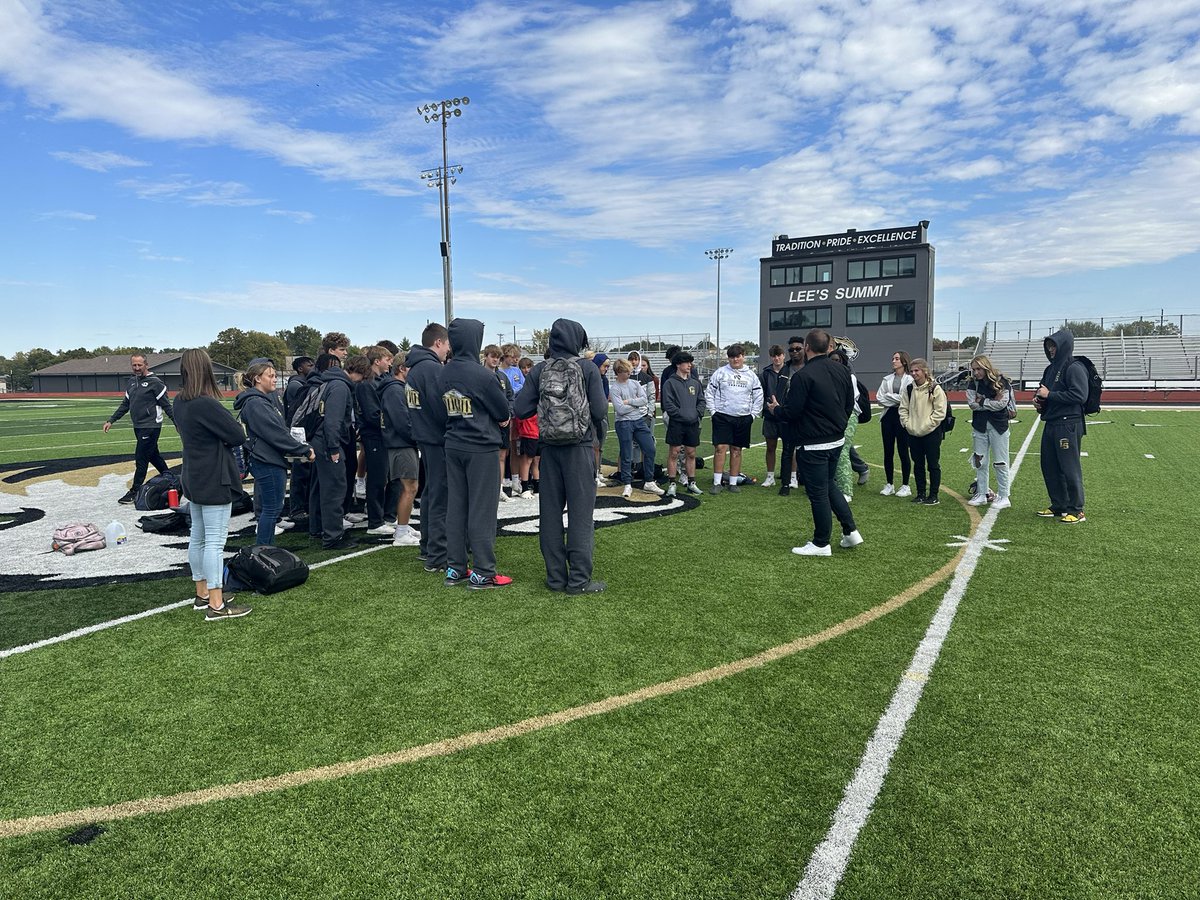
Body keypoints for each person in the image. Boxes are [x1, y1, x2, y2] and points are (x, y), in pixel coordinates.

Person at [513, 318, 609, 594]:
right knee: (580, 515)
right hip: (579, 448)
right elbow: (601, 411)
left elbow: (520, 409)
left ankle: (555, 578)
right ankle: (579, 580)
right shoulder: (587, 368)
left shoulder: (540, 370)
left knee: (550, 514)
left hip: (549, 450)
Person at [173, 348, 251, 621]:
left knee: (199, 537)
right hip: (214, 476)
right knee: (215, 543)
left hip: (193, 475)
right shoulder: (205, 403)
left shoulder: (180, 401)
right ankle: (216, 604)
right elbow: (237, 435)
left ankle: (202, 592)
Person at [775, 329, 862, 556]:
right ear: (829, 347)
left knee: (818, 493)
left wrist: (776, 410)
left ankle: (821, 542)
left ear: (807, 348)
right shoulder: (843, 370)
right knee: (829, 485)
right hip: (835, 440)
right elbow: (848, 403)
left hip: (814, 444)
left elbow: (792, 412)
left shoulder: (803, 376)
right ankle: (850, 531)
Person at [441, 319, 514, 590]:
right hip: (481, 446)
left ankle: (455, 567)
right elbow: (502, 412)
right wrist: (502, 419)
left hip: (453, 443)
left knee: (457, 507)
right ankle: (483, 571)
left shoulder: (443, 372)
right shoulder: (483, 375)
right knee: (482, 509)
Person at [234, 361, 313, 545]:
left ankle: (266, 549)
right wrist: (303, 449)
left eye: (275, 376)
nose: (275, 380)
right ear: (257, 379)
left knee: (273, 509)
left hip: (269, 459)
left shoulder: (261, 401)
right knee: (270, 510)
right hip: (267, 461)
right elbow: (275, 434)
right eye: (271, 376)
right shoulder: (256, 403)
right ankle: (264, 550)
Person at [406, 323, 451, 573]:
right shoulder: (431, 369)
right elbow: (441, 407)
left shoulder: (415, 369)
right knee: (440, 496)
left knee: (431, 493)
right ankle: (438, 553)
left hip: (424, 437)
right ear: (438, 343)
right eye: (446, 345)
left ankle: (427, 546)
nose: (447, 350)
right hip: (437, 438)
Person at [103, 353, 175, 504]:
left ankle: (135, 490)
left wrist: (178, 423)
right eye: (134, 365)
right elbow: (125, 404)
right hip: (138, 426)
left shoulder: (156, 383)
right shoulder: (131, 382)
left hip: (151, 426)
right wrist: (111, 420)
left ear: (146, 364)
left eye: (139, 365)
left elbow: (167, 406)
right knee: (153, 455)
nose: (136, 368)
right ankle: (171, 480)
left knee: (141, 458)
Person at [308, 352, 361, 550]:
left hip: (321, 441)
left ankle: (320, 529)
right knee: (334, 490)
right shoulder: (340, 387)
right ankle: (332, 536)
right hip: (329, 444)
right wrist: (333, 448)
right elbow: (333, 421)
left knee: (324, 488)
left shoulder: (331, 383)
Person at [1035, 329, 1088, 523]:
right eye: (1048, 346)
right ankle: (1059, 505)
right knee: (1049, 466)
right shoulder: (1050, 369)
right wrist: (1040, 401)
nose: (1050, 349)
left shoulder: (1074, 367)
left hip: (1068, 424)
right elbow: (1045, 393)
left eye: (1054, 345)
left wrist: (1050, 395)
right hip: (1051, 422)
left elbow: (1080, 396)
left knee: (1069, 467)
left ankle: (1077, 509)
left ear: (1063, 345)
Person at [705, 344, 764, 494]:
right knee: (720, 449)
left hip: (743, 418)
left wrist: (753, 414)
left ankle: (733, 482)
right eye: (732, 357)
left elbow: (758, 396)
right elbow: (709, 392)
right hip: (723, 417)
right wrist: (713, 411)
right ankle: (717, 482)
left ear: (743, 356)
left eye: (738, 356)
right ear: (728, 358)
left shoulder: (751, 375)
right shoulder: (720, 373)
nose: (735, 359)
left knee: (737, 450)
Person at [378, 354, 421, 546]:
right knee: (409, 487)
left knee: (411, 486)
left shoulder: (397, 388)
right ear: (402, 368)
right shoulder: (394, 390)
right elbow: (402, 421)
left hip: (402, 443)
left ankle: (402, 526)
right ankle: (401, 531)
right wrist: (419, 437)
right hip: (401, 443)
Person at [610, 358, 665, 499]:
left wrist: (629, 402)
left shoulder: (634, 383)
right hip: (623, 423)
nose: (629, 373)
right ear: (618, 372)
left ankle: (649, 481)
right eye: (626, 371)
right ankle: (627, 483)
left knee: (650, 448)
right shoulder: (615, 388)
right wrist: (636, 404)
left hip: (638, 420)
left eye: (629, 370)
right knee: (627, 454)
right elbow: (620, 410)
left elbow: (644, 400)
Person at [964, 355, 1013, 511]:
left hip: (999, 426)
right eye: (974, 369)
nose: (976, 372)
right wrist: (988, 402)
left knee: (1000, 461)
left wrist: (982, 401)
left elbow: (1001, 403)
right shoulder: (973, 383)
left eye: (978, 369)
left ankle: (1004, 495)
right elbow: (972, 404)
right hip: (979, 426)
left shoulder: (1000, 381)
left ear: (986, 367)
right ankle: (982, 493)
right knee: (980, 460)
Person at [899, 357, 947, 506]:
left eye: (917, 370)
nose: (914, 373)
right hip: (913, 433)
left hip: (931, 433)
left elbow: (940, 412)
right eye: (912, 371)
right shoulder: (909, 389)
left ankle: (933, 495)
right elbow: (903, 409)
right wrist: (908, 425)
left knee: (933, 465)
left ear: (925, 371)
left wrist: (927, 425)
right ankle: (920, 493)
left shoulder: (935, 388)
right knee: (918, 464)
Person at [661, 352, 706, 497]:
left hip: (692, 423)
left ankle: (692, 483)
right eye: (686, 362)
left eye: (690, 362)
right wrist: (681, 415)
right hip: (677, 424)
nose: (689, 365)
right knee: (674, 453)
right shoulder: (670, 383)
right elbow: (668, 404)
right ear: (678, 365)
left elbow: (701, 400)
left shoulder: (695, 383)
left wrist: (697, 414)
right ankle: (672, 483)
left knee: (691, 453)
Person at [877, 350, 914, 497]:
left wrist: (890, 396)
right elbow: (880, 398)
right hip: (888, 417)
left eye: (897, 358)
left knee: (903, 451)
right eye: (893, 358)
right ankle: (889, 484)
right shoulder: (887, 379)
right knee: (888, 452)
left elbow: (908, 399)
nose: (893, 361)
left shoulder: (910, 379)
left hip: (902, 417)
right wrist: (897, 398)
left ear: (904, 361)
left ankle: (905, 485)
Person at [282, 356, 315, 522]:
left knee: (306, 473)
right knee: (300, 473)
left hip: (302, 433)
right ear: (300, 369)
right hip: (298, 434)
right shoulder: (296, 385)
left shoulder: (302, 383)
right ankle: (296, 509)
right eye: (309, 365)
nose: (313, 367)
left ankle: (304, 506)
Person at [483, 344, 515, 501]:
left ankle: (499, 488)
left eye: (498, 357)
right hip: (488, 423)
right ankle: (489, 488)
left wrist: (508, 414)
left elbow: (510, 397)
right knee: (489, 456)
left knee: (502, 455)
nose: (495, 360)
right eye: (492, 356)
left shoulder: (502, 377)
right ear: (486, 356)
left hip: (504, 423)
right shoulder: (479, 375)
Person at [778, 335, 807, 493]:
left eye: (798, 349)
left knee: (808, 450)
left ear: (805, 348)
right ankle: (785, 483)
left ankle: (806, 481)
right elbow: (779, 391)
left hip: (808, 416)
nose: (794, 352)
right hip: (788, 414)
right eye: (791, 349)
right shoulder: (785, 369)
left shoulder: (811, 367)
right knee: (787, 450)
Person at [759, 345, 787, 487]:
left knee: (790, 448)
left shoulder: (790, 371)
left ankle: (792, 477)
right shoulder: (765, 373)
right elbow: (760, 395)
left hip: (787, 416)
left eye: (779, 355)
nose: (776, 358)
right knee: (771, 447)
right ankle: (770, 476)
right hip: (770, 417)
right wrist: (767, 408)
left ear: (784, 355)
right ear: (771, 357)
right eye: (774, 356)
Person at [591, 353, 611, 486]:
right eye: (604, 366)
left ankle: (598, 472)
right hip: (591, 415)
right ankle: (593, 475)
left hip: (602, 415)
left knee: (600, 446)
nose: (606, 369)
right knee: (594, 446)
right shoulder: (592, 378)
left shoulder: (604, 380)